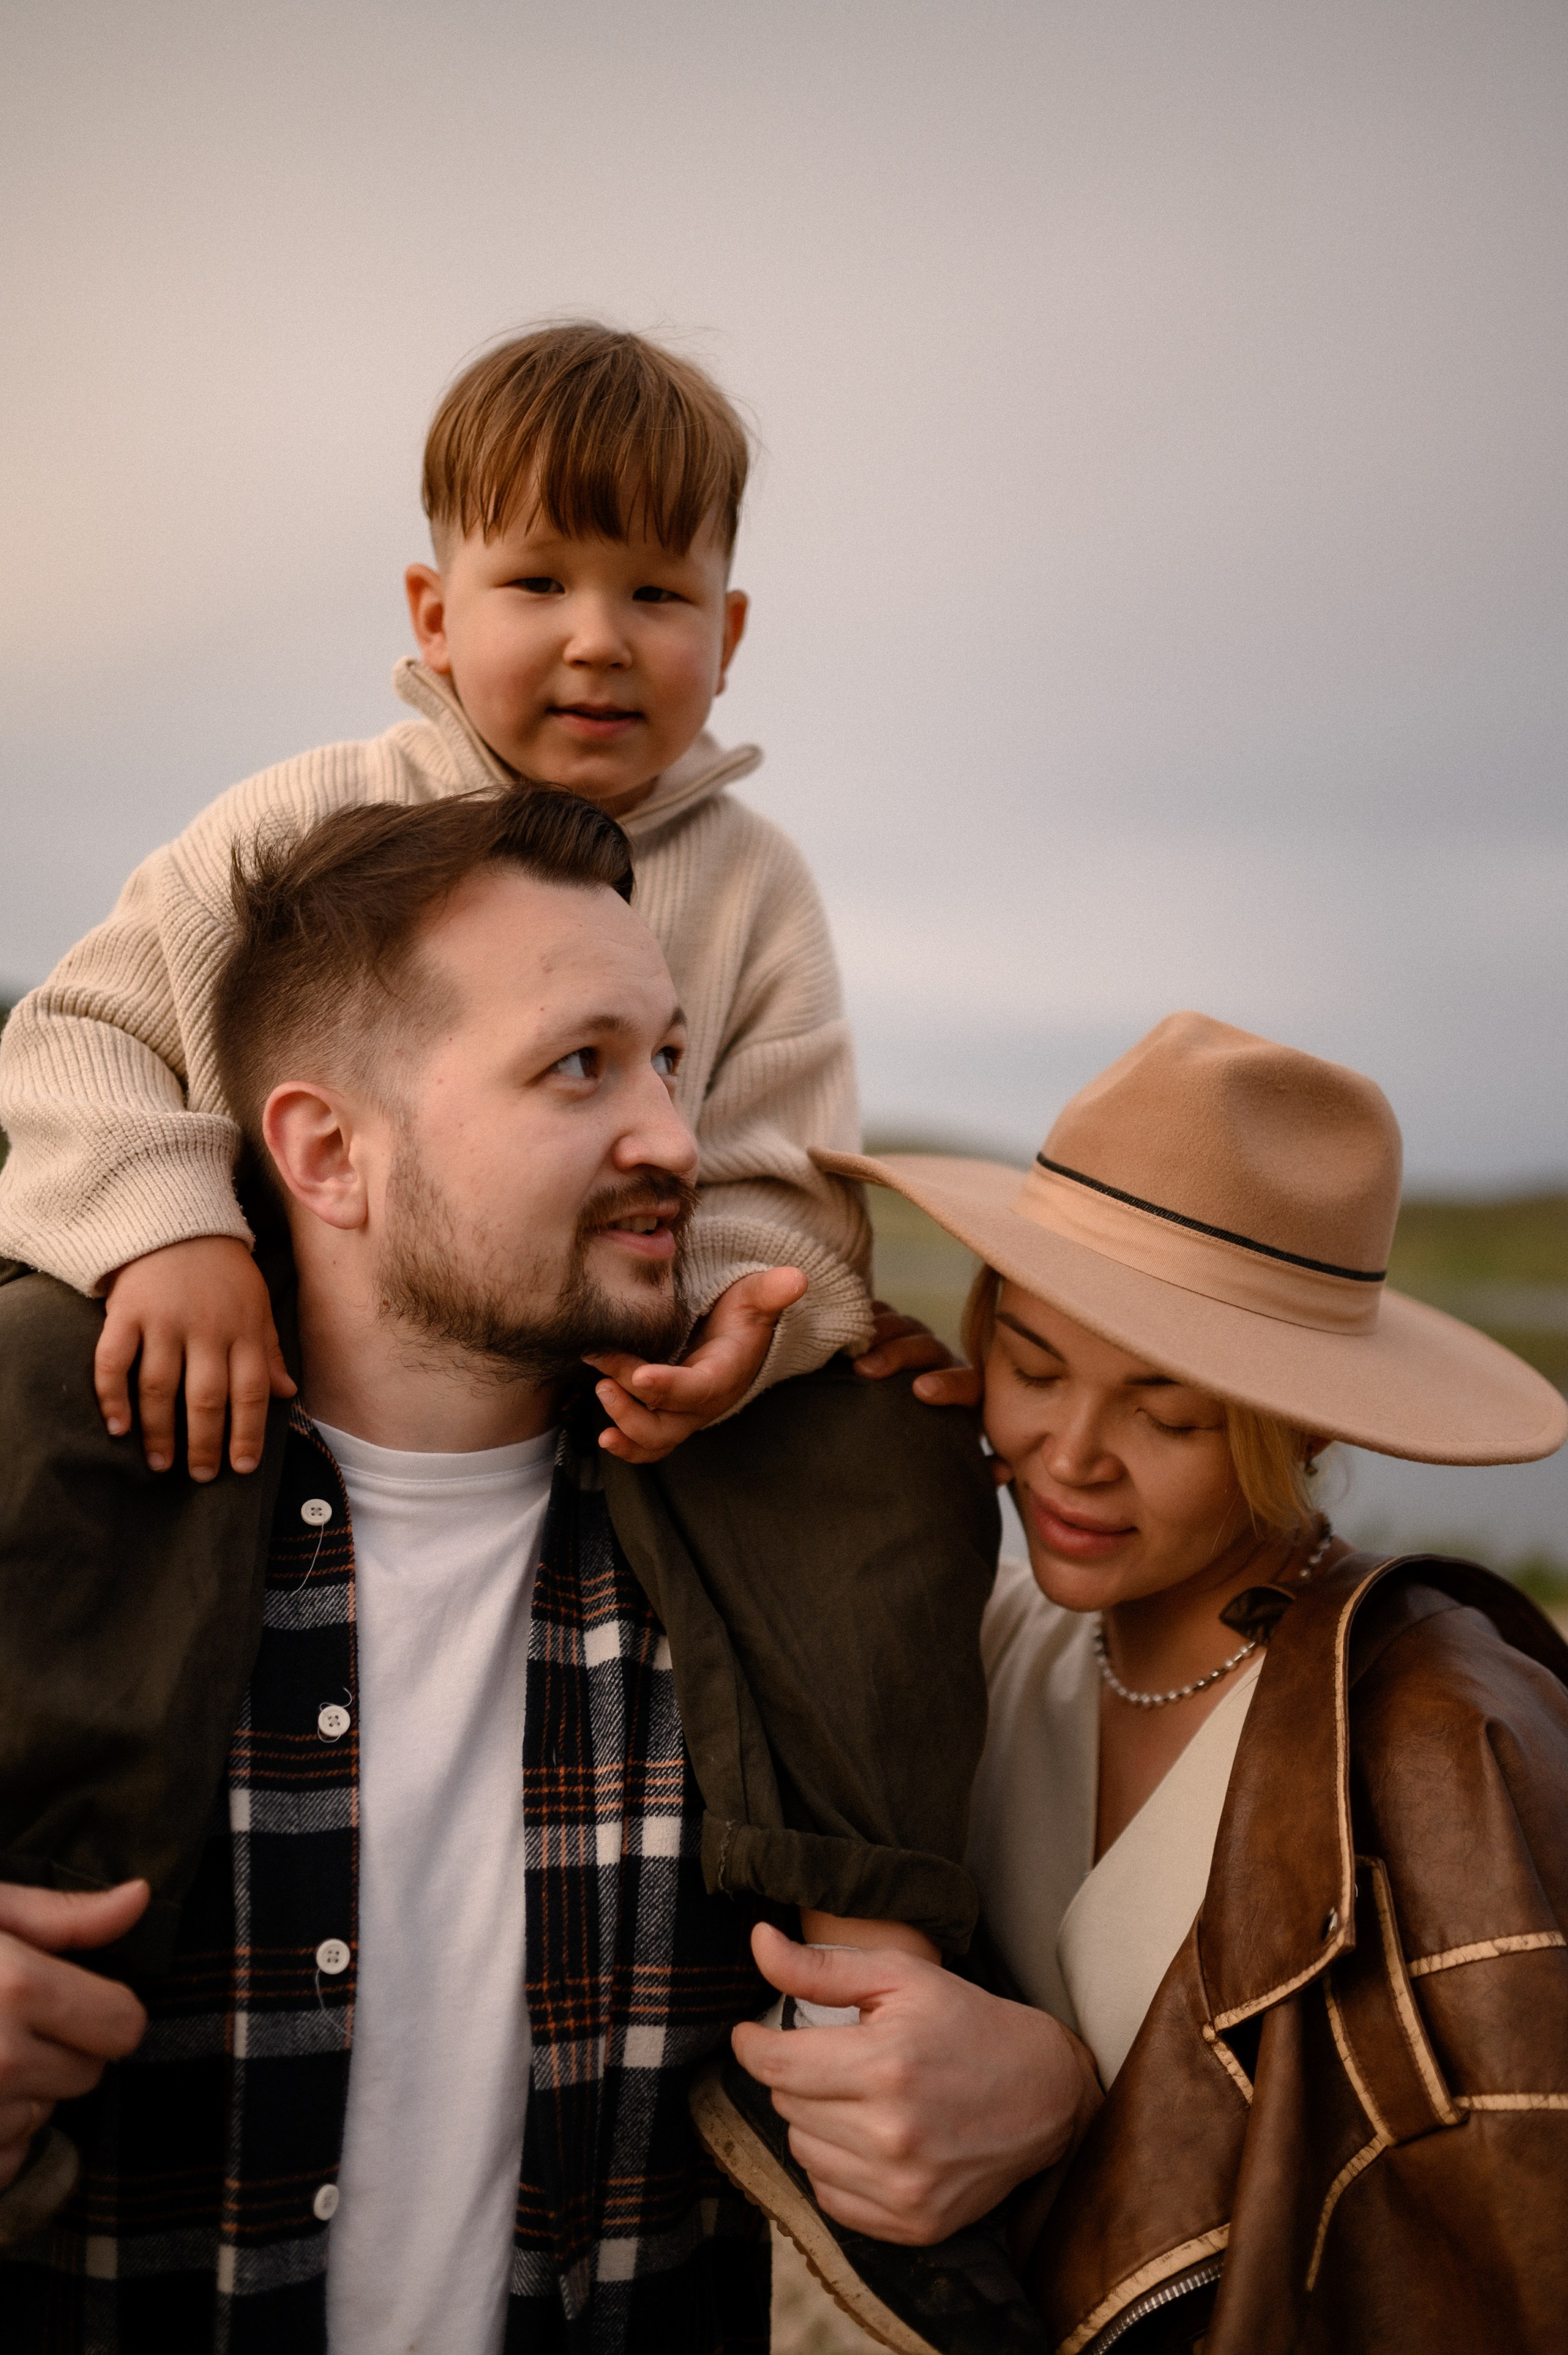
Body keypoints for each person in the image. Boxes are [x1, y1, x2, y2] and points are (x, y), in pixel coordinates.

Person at [0, 792, 1000, 2355]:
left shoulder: (778, 1559)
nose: (677, 1134)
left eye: (669, 1056)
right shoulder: (56, 1515)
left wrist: (1044, 2090)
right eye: (577, 1065)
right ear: (328, 1150)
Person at [699, 1013, 1568, 2355]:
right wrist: (871, 1452)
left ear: (1307, 1423)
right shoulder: (986, 1650)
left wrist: (1070, 2104)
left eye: (1168, 1414)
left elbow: (1468, 2232)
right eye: (1033, 1366)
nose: (1071, 1456)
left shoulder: (1421, 1734)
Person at [0, 318, 879, 1477]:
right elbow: (82, 1038)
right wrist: (170, 1235)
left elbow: (791, 1183)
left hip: (591, 1421)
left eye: (659, 594)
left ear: (730, 634)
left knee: (858, 1467)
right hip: (247, 1368)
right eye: (539, 581)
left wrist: (728, 1330)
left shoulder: (755, 886)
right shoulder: (311, 818)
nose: (600, 639)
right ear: (434, 615)